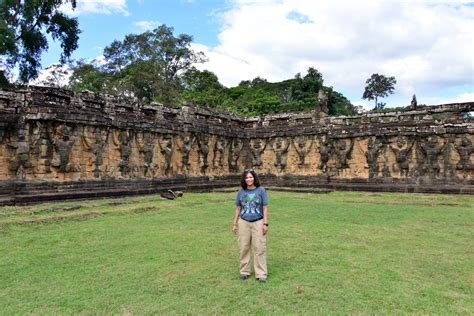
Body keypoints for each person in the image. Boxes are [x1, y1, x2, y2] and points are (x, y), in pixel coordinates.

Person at [232, 169, 269, 283]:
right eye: (247, 177)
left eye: (251, 177)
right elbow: (238, 208)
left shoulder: (261, 190)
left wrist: (265, 223)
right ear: (244, 179)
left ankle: (261, 273)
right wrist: (234, 223)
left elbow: (265, 207)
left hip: (258, 221)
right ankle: (244, 271)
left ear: (254, 178)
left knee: (259, 247)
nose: (249, 179)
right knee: (244, 247)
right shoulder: (241, 192)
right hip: (243, 222)